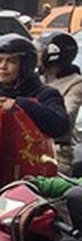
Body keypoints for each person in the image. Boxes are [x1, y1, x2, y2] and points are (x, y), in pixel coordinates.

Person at [0, 32, 70, 147]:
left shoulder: (45, 94)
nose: (3, 66)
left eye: (11, 61)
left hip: (31, 159)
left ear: (25, 65)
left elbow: (61, 126)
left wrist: (19, 105)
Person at [38, 31, 82, 173]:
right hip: (29, 147)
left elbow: (66, 119)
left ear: (54, 54)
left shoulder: (76, 83)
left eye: (40, 50)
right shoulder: (37, 79)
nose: (36, 55)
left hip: (56, 152)